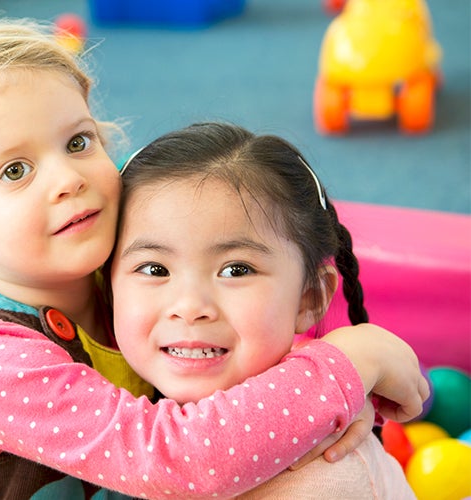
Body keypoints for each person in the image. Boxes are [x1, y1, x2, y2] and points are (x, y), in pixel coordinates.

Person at [0, 18, 428, 499]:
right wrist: (340, 370)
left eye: (77, 142)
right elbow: (172, 461)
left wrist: (324, 389)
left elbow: (241, 331)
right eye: (15, 171)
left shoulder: (113, 266)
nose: (68, 180)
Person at [110, 122, 415, 498]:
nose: (190, 307)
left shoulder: (326, 474)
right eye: (155, 269)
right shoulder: (102, 392)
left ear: (309, 298)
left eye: (236, 270)